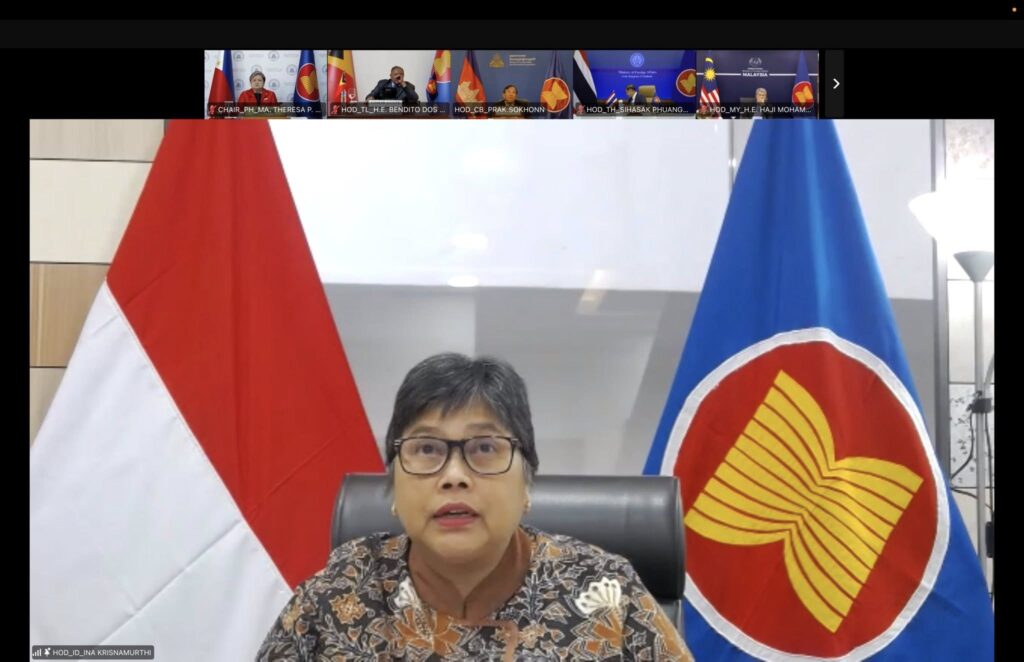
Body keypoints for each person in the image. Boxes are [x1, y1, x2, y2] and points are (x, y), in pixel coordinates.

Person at [256, 353, 695, 661]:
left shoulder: (605, 590)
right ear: (393, 491)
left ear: (527, 486)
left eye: (484, 447)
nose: (454, 476)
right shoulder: (339, 593)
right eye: (426, 449)